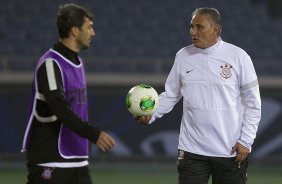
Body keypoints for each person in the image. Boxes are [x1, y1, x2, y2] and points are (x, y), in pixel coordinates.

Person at [136, 7, 261, 184]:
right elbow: (171, 95)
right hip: (192, 150)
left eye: (199, 27)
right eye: (191, 27)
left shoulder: (239, 57)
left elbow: (253, 103)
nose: (193, 32)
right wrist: (152, 114)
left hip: (229, 150)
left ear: (216, 29)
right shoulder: (183, 56)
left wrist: (246, 140)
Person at [21, 3, 115, 184]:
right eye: (89, 27)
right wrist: (93, 134)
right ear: (74, 31)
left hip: (77, 158)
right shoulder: (51, 64)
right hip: (51, 157)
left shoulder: (77, 62)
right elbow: (59, 108)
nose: (93, 33)